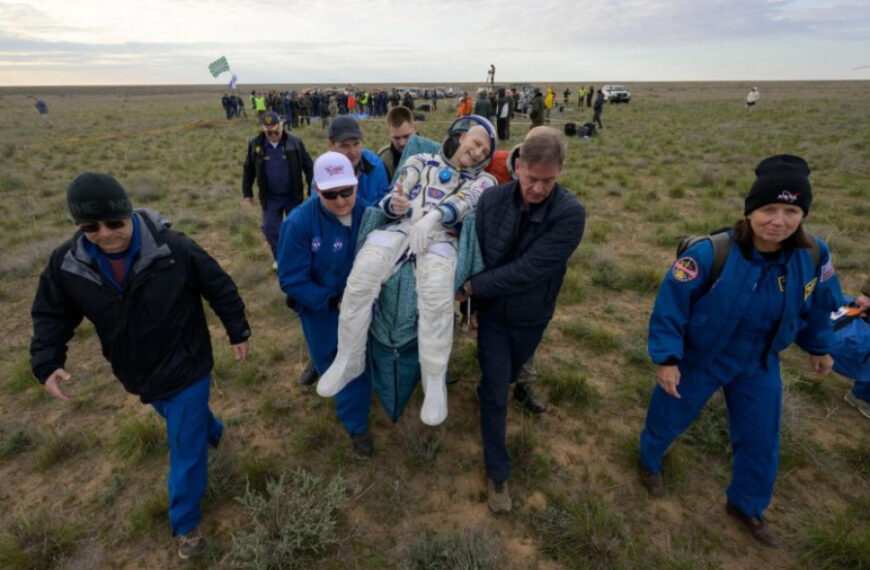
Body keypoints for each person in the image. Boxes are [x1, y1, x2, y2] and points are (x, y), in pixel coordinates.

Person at [30, 172, 251, 560]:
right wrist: (47, 361)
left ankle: (185, 525)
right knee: (184, 420)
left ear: (128, 212)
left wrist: (237, 330)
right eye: (90, 227)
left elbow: (218, 285)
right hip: (136, 371)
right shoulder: (68, 263)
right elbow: (51, 314)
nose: (105, 234)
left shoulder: (173, 248)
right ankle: (215, 432)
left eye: (113, 222)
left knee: (184, 445)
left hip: (187, 361)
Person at [639, 155, 839, 549]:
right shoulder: (709, 254)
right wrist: (667, 359)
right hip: (701, 358)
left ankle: (746, 505)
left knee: (761, 437)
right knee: (668, 415)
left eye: (791, 211)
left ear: (803, 214)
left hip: (760, 362)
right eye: (768, 209)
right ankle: (649, 461)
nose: (778, 221)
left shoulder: (814, 256)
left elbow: (821, 303)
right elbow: (670, 307)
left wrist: (820, 346)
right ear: (750, 210)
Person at [317, 117, 498, 427]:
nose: (479, 152)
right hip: (401, 229)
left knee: (436, 296)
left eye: (486, 151)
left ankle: (434, 378)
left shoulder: (485, 181)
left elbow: (467, 201)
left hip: (442, 239)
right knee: (362, 276)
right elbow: (396, 191)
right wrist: (396, 205)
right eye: (477, 143)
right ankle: (349, 357)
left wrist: (434, 217)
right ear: (463, 136)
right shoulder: (420, 160)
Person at [457, 127, 585, 513]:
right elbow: (477, 255)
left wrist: (472, 288)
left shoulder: (569, 214)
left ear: (560, 171)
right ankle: (498, 475)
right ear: (518, 166)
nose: (539, 188)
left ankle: (496, 386)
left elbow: (529, 270)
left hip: (532, 316)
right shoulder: (492, 200)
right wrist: (472, 310)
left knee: (510, 374)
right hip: (494, 316)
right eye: (532, 178)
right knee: (497, 389)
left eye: (549, 181)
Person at [277, 152, 375, 454]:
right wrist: (332, 300)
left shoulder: (369, 214)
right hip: (322, 310)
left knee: (366, 356)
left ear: (356, 183)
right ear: (317, 189)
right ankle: (356, 423)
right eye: (331, 194)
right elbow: (292, 280)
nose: (341, 201)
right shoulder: (298, 223)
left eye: (347, 191)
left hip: (364, 305)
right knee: (338, 361)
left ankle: (366, 395)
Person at [242, 111, 314, 269]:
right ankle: (279, 256)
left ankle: (300, 255)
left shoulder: (294, 142)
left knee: (298, 228)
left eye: (276, 131)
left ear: (282, 126)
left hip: (292, 195)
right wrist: (247, 192)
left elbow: (309, 166)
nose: (273, 135)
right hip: (270, 197)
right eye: (269, 132)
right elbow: (249, 168)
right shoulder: (256, 144)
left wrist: (312, 187)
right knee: (269, 228)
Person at [321, 115, 390, 206]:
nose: (353, 152)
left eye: (356, 144)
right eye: (344, 146)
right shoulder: (322, 172)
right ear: (330, 145)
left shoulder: (375, 165)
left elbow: (385, 203)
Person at [377, 106, 419, 180]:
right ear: (389, 133)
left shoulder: (432, 154)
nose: (402, 143)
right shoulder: (383, 159)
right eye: (396, 138)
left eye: (406, 136)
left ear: (415, 128)